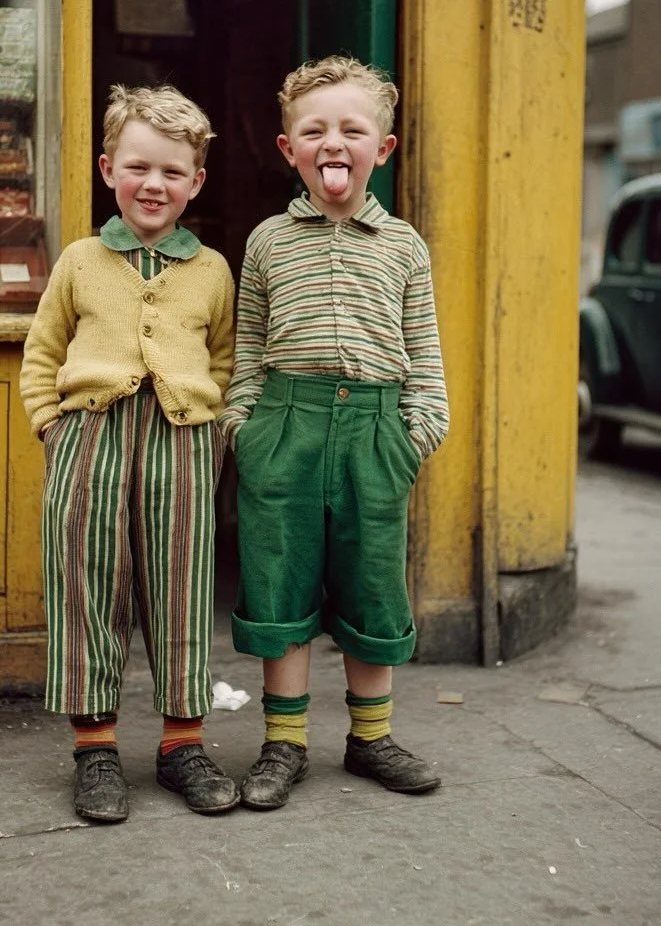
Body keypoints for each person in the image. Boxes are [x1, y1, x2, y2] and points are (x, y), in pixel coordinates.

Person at [219, 56, 450, 811]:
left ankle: (370, 738)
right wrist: (244, 430)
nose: (333, 143)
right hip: (285, 427)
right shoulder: (266, 242)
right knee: (279, 583)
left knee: (371, 585)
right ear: (289, 150)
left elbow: (424, 354)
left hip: (376, 434)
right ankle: (283, 744)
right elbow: (249, 346)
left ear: (382, 147)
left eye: (352, 129)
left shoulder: (405, 247)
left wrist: (416, 435)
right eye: (314, 130)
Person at [20, 84, 238, 823]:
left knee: (183, 587)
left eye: (173, 172)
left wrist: (212, 431)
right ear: (108, 168)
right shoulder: (80, 261)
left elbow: (225, 358)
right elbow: (42, 352)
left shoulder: (211, 270)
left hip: (181, 444)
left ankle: (183, 745)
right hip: (90, 438)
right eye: (139, 167)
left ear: (195, 182)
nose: (154, 184)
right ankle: (96, 750)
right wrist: (51, 426)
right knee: (86, 587)